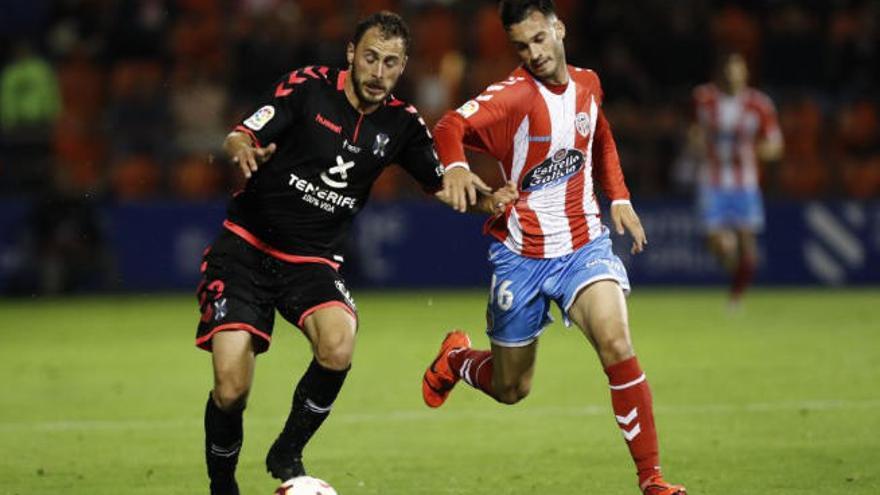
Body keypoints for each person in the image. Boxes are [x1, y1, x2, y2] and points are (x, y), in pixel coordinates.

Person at [196, 11, 500, 495]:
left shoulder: (401, 124)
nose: (379, 73)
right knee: (231, 389)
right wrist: (241, 148)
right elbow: (243, 133)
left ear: (403, 68)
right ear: (351, 54)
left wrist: (489, 200)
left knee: (339, 343)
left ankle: (288, 449)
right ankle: (222, 486)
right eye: (372, 58)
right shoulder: (308, 88)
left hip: (313, 259)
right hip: (247, 247)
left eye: (392, 64)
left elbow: (443, 185)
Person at [422, 2, 687, 494]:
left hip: (584, 245)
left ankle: (652, 479)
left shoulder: (588, 82)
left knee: (616, 343)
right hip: (520, 255)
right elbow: (447, 127)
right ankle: (457, 360)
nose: (534, 53)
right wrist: (457, 167)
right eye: (522, 46)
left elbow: (599, 133)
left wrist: (620, 195)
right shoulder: (514, 96)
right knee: (511, 389)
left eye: (540, 39)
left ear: (558, 29)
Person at [689, 51, 783, 306]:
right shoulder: (703, 98)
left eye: (738, 69)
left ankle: (736, 297)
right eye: (728, 69)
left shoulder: (760, 104)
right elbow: (693, 131)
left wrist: (762, 150)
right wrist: (695, 141)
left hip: (746, 184)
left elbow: (775, 145)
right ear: (721, 73)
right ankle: (728, 262)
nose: (732, 74)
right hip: (712, 181)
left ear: (746, 73)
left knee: (747, 249)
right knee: (720, 244)